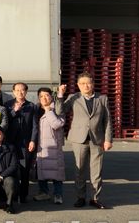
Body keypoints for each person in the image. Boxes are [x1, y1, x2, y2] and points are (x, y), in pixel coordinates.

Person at [57, 72, 113, 209]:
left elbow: (107, 120)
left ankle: (95, 198)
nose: (85, 86)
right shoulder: (73, 97)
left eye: (88, 83)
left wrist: (108, 139)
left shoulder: (102, 98)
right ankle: (80, 197)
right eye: (82, 83)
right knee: (79, 170)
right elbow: (59, 111)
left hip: (97, 139)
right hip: (79, 139)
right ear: (78, 85)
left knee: (96, 171)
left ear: (93, 83)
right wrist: (60, 95)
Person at [4, 82, 39, 204]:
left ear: (26, 91)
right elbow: (5, 121)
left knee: (24, 170)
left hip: (25, 143)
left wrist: (33, 141)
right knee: (11, 169)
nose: (20, 92)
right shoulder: (8, 105)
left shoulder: (32, 106)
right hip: (10, 142)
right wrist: (14, 111)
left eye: (22, 90)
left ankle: (23, 196)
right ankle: (12, 194)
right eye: (17, 90)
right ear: (13, 92)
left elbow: (35, 126)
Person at [33, 88, 66, 205]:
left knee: (57, 171)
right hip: (40, 146)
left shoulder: (56, 109)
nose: (44, 98)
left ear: (51, 97)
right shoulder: (37, 110)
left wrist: (48, 111)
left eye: (47, 95)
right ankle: (44, 192)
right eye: (41, 96)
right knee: (41, 170)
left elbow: (58, 124)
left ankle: (58, 194)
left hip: (53, 146)